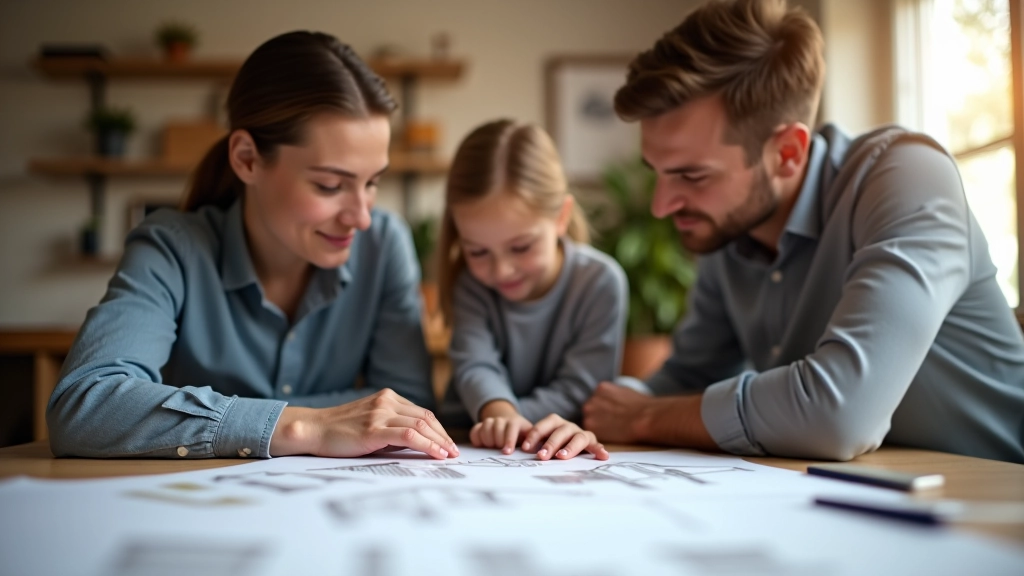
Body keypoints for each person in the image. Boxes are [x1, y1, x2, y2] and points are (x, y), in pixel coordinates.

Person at [583, 0, 1024, 463]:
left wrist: (643, 418)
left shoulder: (907, 177)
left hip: (997, 494)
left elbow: (839, 415)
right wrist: (603, 408)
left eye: (692, 176)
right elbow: (687, 379)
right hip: (871, 491)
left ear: (788, 152)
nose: (660, 206)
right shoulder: (727, 229)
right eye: (657, 171)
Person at [47, 31, 459, 461]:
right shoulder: (172, 247)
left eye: (372, 182)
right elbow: (84, 404)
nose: (361, 216)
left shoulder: (384, 245)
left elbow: (406, 408)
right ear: (246, 158)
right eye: (330, 185)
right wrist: (307, 427)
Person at [438, 119, 627, 460]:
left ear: (561, 217)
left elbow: (580, 389)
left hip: (548, 447)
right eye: (477, 251)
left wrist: (512, 421)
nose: (501, 270)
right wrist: (499, 414)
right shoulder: (470, 282)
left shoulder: (601, 282)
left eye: (521, 247)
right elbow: (475, 365)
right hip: (465, 439)